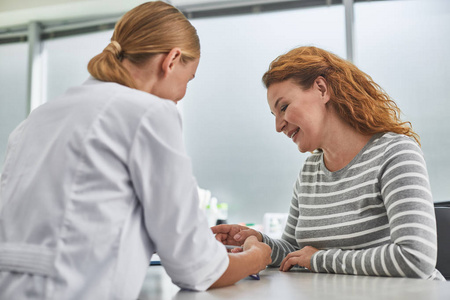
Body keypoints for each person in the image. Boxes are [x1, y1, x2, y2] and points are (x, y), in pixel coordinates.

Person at [0, 2, 271, 299]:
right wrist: (257, 256)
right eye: (188, 79)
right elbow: (199, 270)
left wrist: (184, 237)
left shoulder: (40, 117)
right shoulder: (148, 113)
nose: (182, 95)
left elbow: (74, 222)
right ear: (172, 60)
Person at [212, 46, 445, 281]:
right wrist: (258, 242)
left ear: (321, 89)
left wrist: (319, 259)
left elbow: (416, 259)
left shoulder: (394, 153)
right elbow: (295, 252)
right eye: (275, 115)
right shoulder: (310, 171)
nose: (278, 126)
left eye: (284, 107)